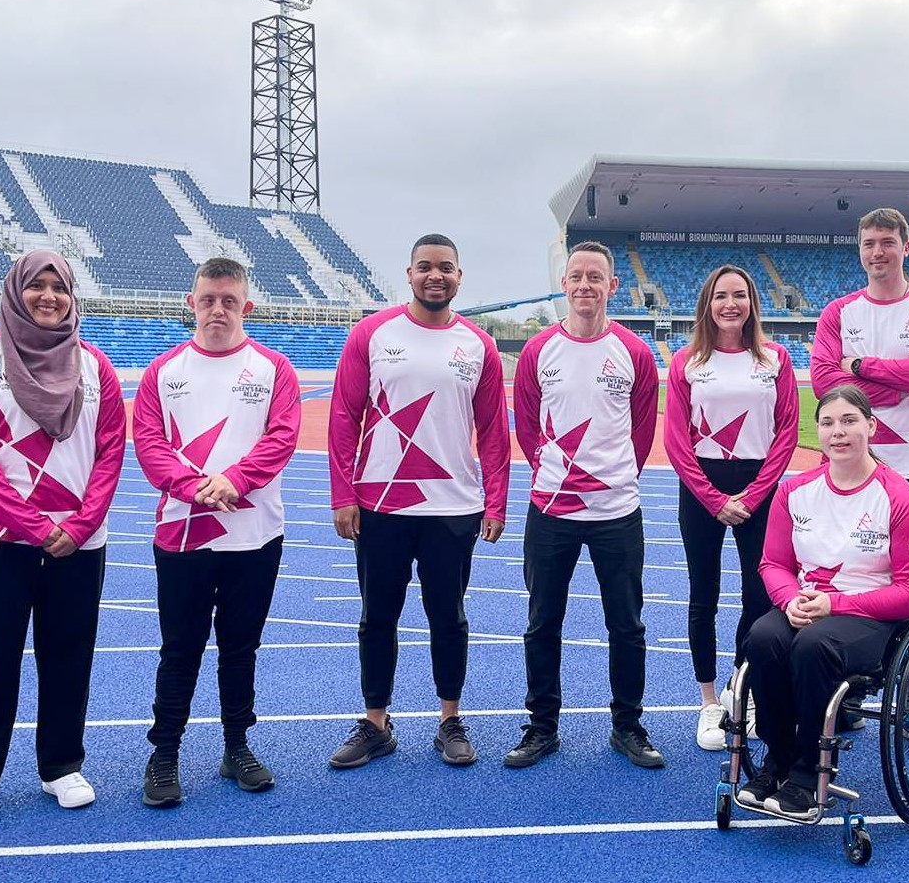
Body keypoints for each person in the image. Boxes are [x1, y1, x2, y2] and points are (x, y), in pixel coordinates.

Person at [0, 250, 126, 827]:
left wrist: (79, 525)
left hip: (78, 542)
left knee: (69, 656)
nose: (49, 297)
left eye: (60, 288)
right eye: (37, 287)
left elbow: (110, 453)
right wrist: (34, 526)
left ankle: (61, 765)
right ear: (15, 292)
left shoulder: (95, 366)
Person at [326, 234, 510, 768]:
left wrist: (495, 501)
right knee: (376, 618)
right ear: (408, 274)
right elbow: (344, 417)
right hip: (380, 505)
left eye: (446, 268)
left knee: (448, 618)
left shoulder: (478, 345)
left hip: (453, 507)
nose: (436, 276)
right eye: (425, 267)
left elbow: (494, 430)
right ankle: (376, 723)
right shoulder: (372, 334)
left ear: (459, 277)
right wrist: (344, 494)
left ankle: (450, 719)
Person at [133, 257, 301, 807]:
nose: (218, 310)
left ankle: (236, 746)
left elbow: (280, 440)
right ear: (191, 303)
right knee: (179, 649)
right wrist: (197, 488)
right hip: (182, 535)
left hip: (254, 535)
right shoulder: (164, 372)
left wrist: (232, 480)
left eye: (229, 301)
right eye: (208, 300)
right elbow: (151, 447)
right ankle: (164, 754)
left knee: (240, 647)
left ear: (246, 307)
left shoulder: (274, 369)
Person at [737, 386, 909, 820]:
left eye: (849, 421)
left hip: (870, 614)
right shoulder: (795, 492)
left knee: (813, 646)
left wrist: (835, 604)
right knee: (763, 636)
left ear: (871, 427)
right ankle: (778, 759)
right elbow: (773, 564)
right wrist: (789, 601)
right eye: (828, 423)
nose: (837, 432)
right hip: (805, 604)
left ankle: (807, 772)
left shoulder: (897, 496)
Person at [504, 240, 663, 770]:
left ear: (612, 286)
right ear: (565, 284)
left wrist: (611, 481)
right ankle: (542, 726)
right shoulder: (538, 351)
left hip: (617, 512)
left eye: (596, 277)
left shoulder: (636, 354)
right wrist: (560, 479)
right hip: (551, 511)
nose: (585, 286)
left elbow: (642, 434)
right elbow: (526, 428)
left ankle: (627, 725)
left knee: (627, 624)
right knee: (543, 621)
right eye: (577, 276)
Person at [663, 264, 799, 750]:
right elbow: (676, 442)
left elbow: (786, 434)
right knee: (704, 595)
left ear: (751, 304)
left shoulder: (775, 359)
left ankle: (743, 690)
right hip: (703, 490)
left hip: (758, 490)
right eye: (721, 296)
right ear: (708, 303)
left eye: (739, 295)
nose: (730, 304)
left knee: (758, 598)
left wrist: (755, 495)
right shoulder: (687, 362)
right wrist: (715, 500)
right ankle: (706, 703)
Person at [810, 207, 909, 547]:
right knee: (844, 570)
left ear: (906, 247)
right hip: (847, 468)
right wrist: (904, 385)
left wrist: (860, 367)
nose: (878, 252)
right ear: (860, 250)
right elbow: (822, 384)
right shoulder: (839, 311)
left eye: (888, 242)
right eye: (869, 244)